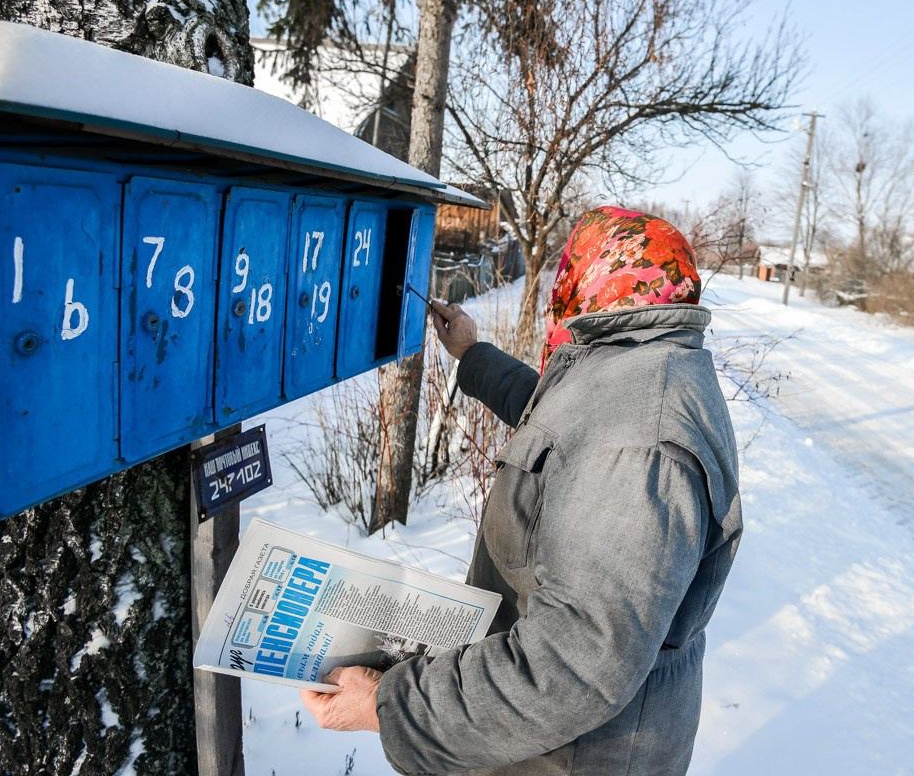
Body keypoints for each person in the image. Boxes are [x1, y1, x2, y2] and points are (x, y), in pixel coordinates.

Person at [302, 205, 743, 775]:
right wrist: (471, 352)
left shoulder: (640, 440)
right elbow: (561, 427)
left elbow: (575, 664)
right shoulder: (642, 364)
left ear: (595, 279)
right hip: (547, 743)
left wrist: (394, 709)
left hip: (569, 757)